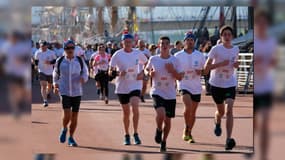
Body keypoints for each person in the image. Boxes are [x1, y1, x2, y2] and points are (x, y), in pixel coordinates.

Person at [204, 25, 240, 150]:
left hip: (230, 83)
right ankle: (217, 121)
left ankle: (228, 139)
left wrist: (236, 65)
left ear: (232, 36)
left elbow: (236, 63)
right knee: (221, 112)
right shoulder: (215, 49)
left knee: (229, 110)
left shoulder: (236, 49)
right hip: (216, 84)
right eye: (224, 34)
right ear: (221, 36)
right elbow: (206, 69)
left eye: (229, 34)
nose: (227, 36)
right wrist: (219, 64)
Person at [145, 36, 183, 152]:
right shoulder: (153, 59)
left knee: (168, 120)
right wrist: (149, 73)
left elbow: (180, 77)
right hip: (157, 91)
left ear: (170, 46)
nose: (165, 46)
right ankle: (158, 129)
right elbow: (146, 70)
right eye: (162, 44)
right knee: (160, 114)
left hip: (170, 94)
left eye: (167, 43)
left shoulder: (175, 60)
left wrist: (172, 70)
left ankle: (164, 141)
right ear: (159, 46)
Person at [109, 33, 148, 145]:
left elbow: (147, 64)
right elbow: (110, 71)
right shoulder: (117, 54)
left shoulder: (138, 53)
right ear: (122, 43)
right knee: (126, 113)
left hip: (135, 84)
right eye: (126, 42)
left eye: (130, 42)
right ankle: (126, 135)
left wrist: (143, 74)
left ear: (133, 43)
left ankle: (135, 133)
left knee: (135, 107)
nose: (128, 44)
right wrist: (117, 73)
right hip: (122, 86)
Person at [53, 40, 88, 147]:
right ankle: (64, 128)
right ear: (64, 49)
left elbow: (85, 72)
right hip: (64, 90)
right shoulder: (60, 61)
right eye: (67, 48)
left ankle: (71, 137)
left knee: (75, 116)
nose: (70, 50)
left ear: (74, 49)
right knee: (67, 114)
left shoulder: (79, 60)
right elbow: (55, 73)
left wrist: (84, 78)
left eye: (72, 48)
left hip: (77, 91)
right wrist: (55, 84)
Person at [254, 9, 277, 160]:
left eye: (264, 22)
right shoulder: (254, 42)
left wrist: (268, 62)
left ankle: (263, 156)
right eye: (259, 22)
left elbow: (275, 61)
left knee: (265, 125)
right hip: (255, 87)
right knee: (255, 124)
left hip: (267, 86)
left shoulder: (271, 42)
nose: (262, 25)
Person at [174, 32, 205, 143]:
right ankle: (186, 127)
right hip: (183, 84)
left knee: (193, 112)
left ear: (194, 41)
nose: (190, 41)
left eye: (192, 40)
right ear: (184, 41)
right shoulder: (177, 56)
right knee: (188, 106)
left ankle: (188, 132)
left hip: (196, 86)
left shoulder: (200, 55)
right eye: (188, 40)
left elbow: (205, 71)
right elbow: (173, 71)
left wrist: (201, 71)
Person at [34, 40, 57, 107]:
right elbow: (36, 61)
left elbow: (55, 60)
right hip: (41, 71)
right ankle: (45, 101)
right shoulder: (37, 52)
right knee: (43, 85)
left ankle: (47, 93)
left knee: (49, 87)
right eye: (41, 46)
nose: (43, 48)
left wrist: (50, 62)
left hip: (50, 71)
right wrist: (36, 66)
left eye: (44, 46)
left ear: (46, 46)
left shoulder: (51, 52)